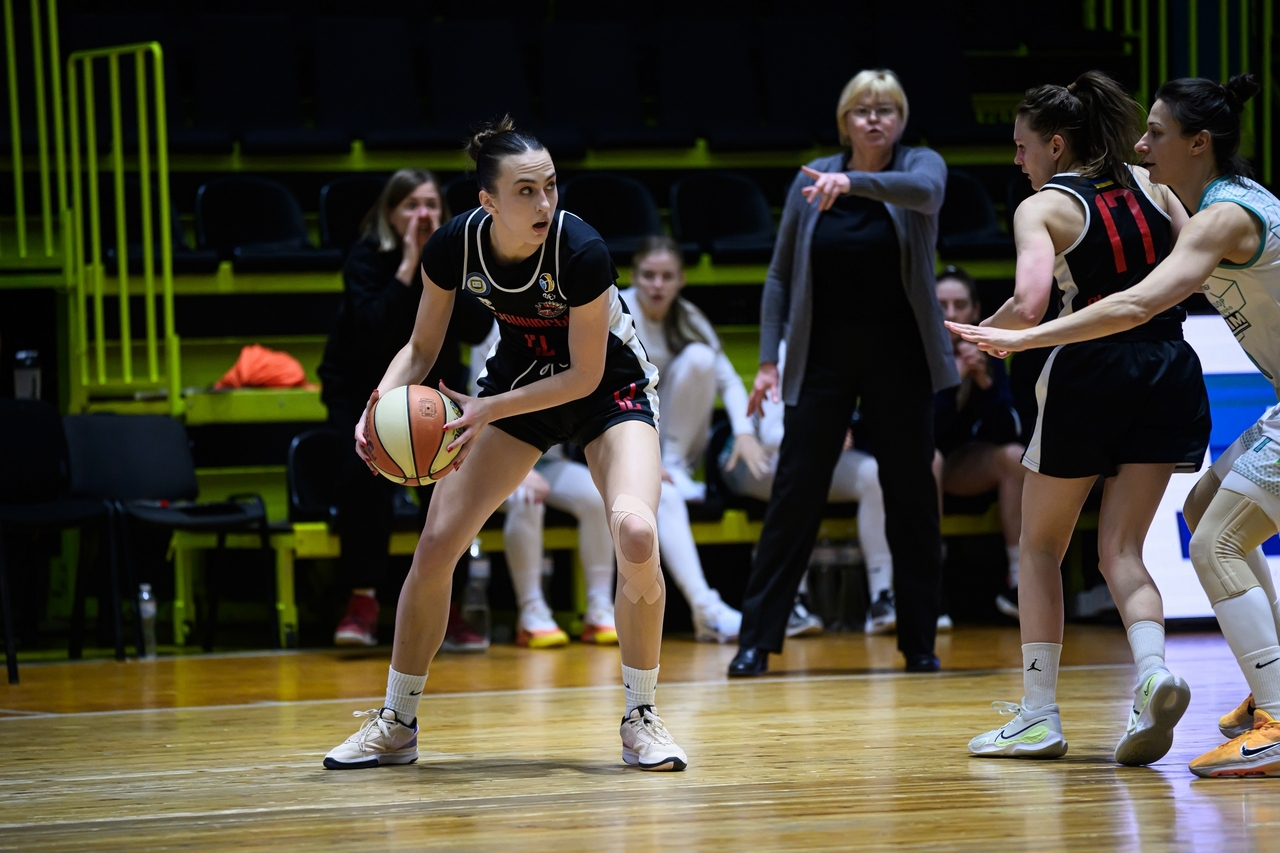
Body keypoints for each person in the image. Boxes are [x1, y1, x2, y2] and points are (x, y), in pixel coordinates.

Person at [324, 117, 687, 772]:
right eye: (526, 191)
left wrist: (487, 408)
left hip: (610, 390)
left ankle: (641, 717)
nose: (545, 203)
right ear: (487, 201)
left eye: (550, 186)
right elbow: (421, 348)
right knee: (436, 543)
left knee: (636, 532)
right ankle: (396, 722)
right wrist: (378, 406)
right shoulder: (453, 245)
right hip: (520, 384)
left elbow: (583, 376)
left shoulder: (581, 249)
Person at [952, 74, 1280, 778]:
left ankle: (1039, 714)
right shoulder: (1166, 190)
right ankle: (1167, 675)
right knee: (1153, 534)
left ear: (1055, 145)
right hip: (1169, 368)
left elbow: (1063, 302)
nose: (1017, 160)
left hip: (1090, 368)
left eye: (1021, 146)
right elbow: (1175, 280)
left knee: (1045, 546)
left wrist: (1001, 335)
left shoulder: (1052, 205)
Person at [728, 69, 957, 677]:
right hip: (822, 357)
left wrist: (853, 183)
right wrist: (768, 360)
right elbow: (779, 275)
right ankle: (756, 641)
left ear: (901, 120)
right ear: (844, 121)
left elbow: (926, 194)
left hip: (901, 355)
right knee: (794, 494)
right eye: (862, 110)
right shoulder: (812, 178)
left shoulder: (919, 165)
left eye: (886, 109)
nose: (874, 119)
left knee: (911, 497)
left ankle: (919, 641)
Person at [317, 169, 493, 649]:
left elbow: (478, 329)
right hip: (362, 391)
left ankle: (444, 606)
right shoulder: (365, 258)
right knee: (364, 479)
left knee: (447, 488)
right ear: (390, 214)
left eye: (432, 205)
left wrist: (443, 268)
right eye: (412, 205)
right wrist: (411, 263)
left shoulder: (453, 261)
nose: (423, 214)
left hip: (435, 393)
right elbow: (373, 331)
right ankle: (362, 601)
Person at [616, 235, 754, 642]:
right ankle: (706, 610)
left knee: (701, 358)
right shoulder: (615, 313)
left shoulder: (689, 316)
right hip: (621, 440)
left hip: (673, 445)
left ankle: (673, 465)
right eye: (649, 275)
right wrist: (641, 458)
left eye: (667, 276)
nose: (657, 285)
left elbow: (729, 380)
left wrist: (744, 432)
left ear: (681, 280)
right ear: (633, 276)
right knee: (667, 500)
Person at [721, 341, 896, 634]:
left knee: (873, 474)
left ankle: (882, 597)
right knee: (797, 472)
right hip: (750, 458)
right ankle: (792, 601)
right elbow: (772, 436)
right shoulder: (787, 349)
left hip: (813, 452)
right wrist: (824, 434)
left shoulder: (856, 348)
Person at [934, 265, 1025, 619]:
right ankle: (930, 586)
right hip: (915, 465)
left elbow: (1009, 431)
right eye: (942, 306)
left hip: (960, 463)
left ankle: (1019, 582)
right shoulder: (915, 350)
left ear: (975, 311)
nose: (952, 314)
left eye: (960, 305)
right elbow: (922, 434)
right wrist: (952, 383)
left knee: (1015, 457)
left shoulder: (987, 350)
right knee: (929, 459)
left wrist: (985, 385)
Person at [501, 447, 618, 648]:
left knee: (598, 496)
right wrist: (516, 468)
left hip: (549, 461)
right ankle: (531, 608)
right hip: (495, 458)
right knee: (527, 496)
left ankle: (600, 607)